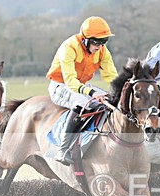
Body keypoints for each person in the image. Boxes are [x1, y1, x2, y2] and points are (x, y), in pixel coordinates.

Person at [46, 16, 118, 165]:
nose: (100, 46)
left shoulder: (103, 52)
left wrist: (122, 88)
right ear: (85, 39)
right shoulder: (69, 47)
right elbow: (71, 81)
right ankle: (63, 150)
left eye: (104, 41)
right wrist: (92, 93)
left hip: (81, 86)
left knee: (109, 100)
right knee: (81, 102)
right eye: (97, 42)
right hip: (61, 85)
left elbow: (111, 76)